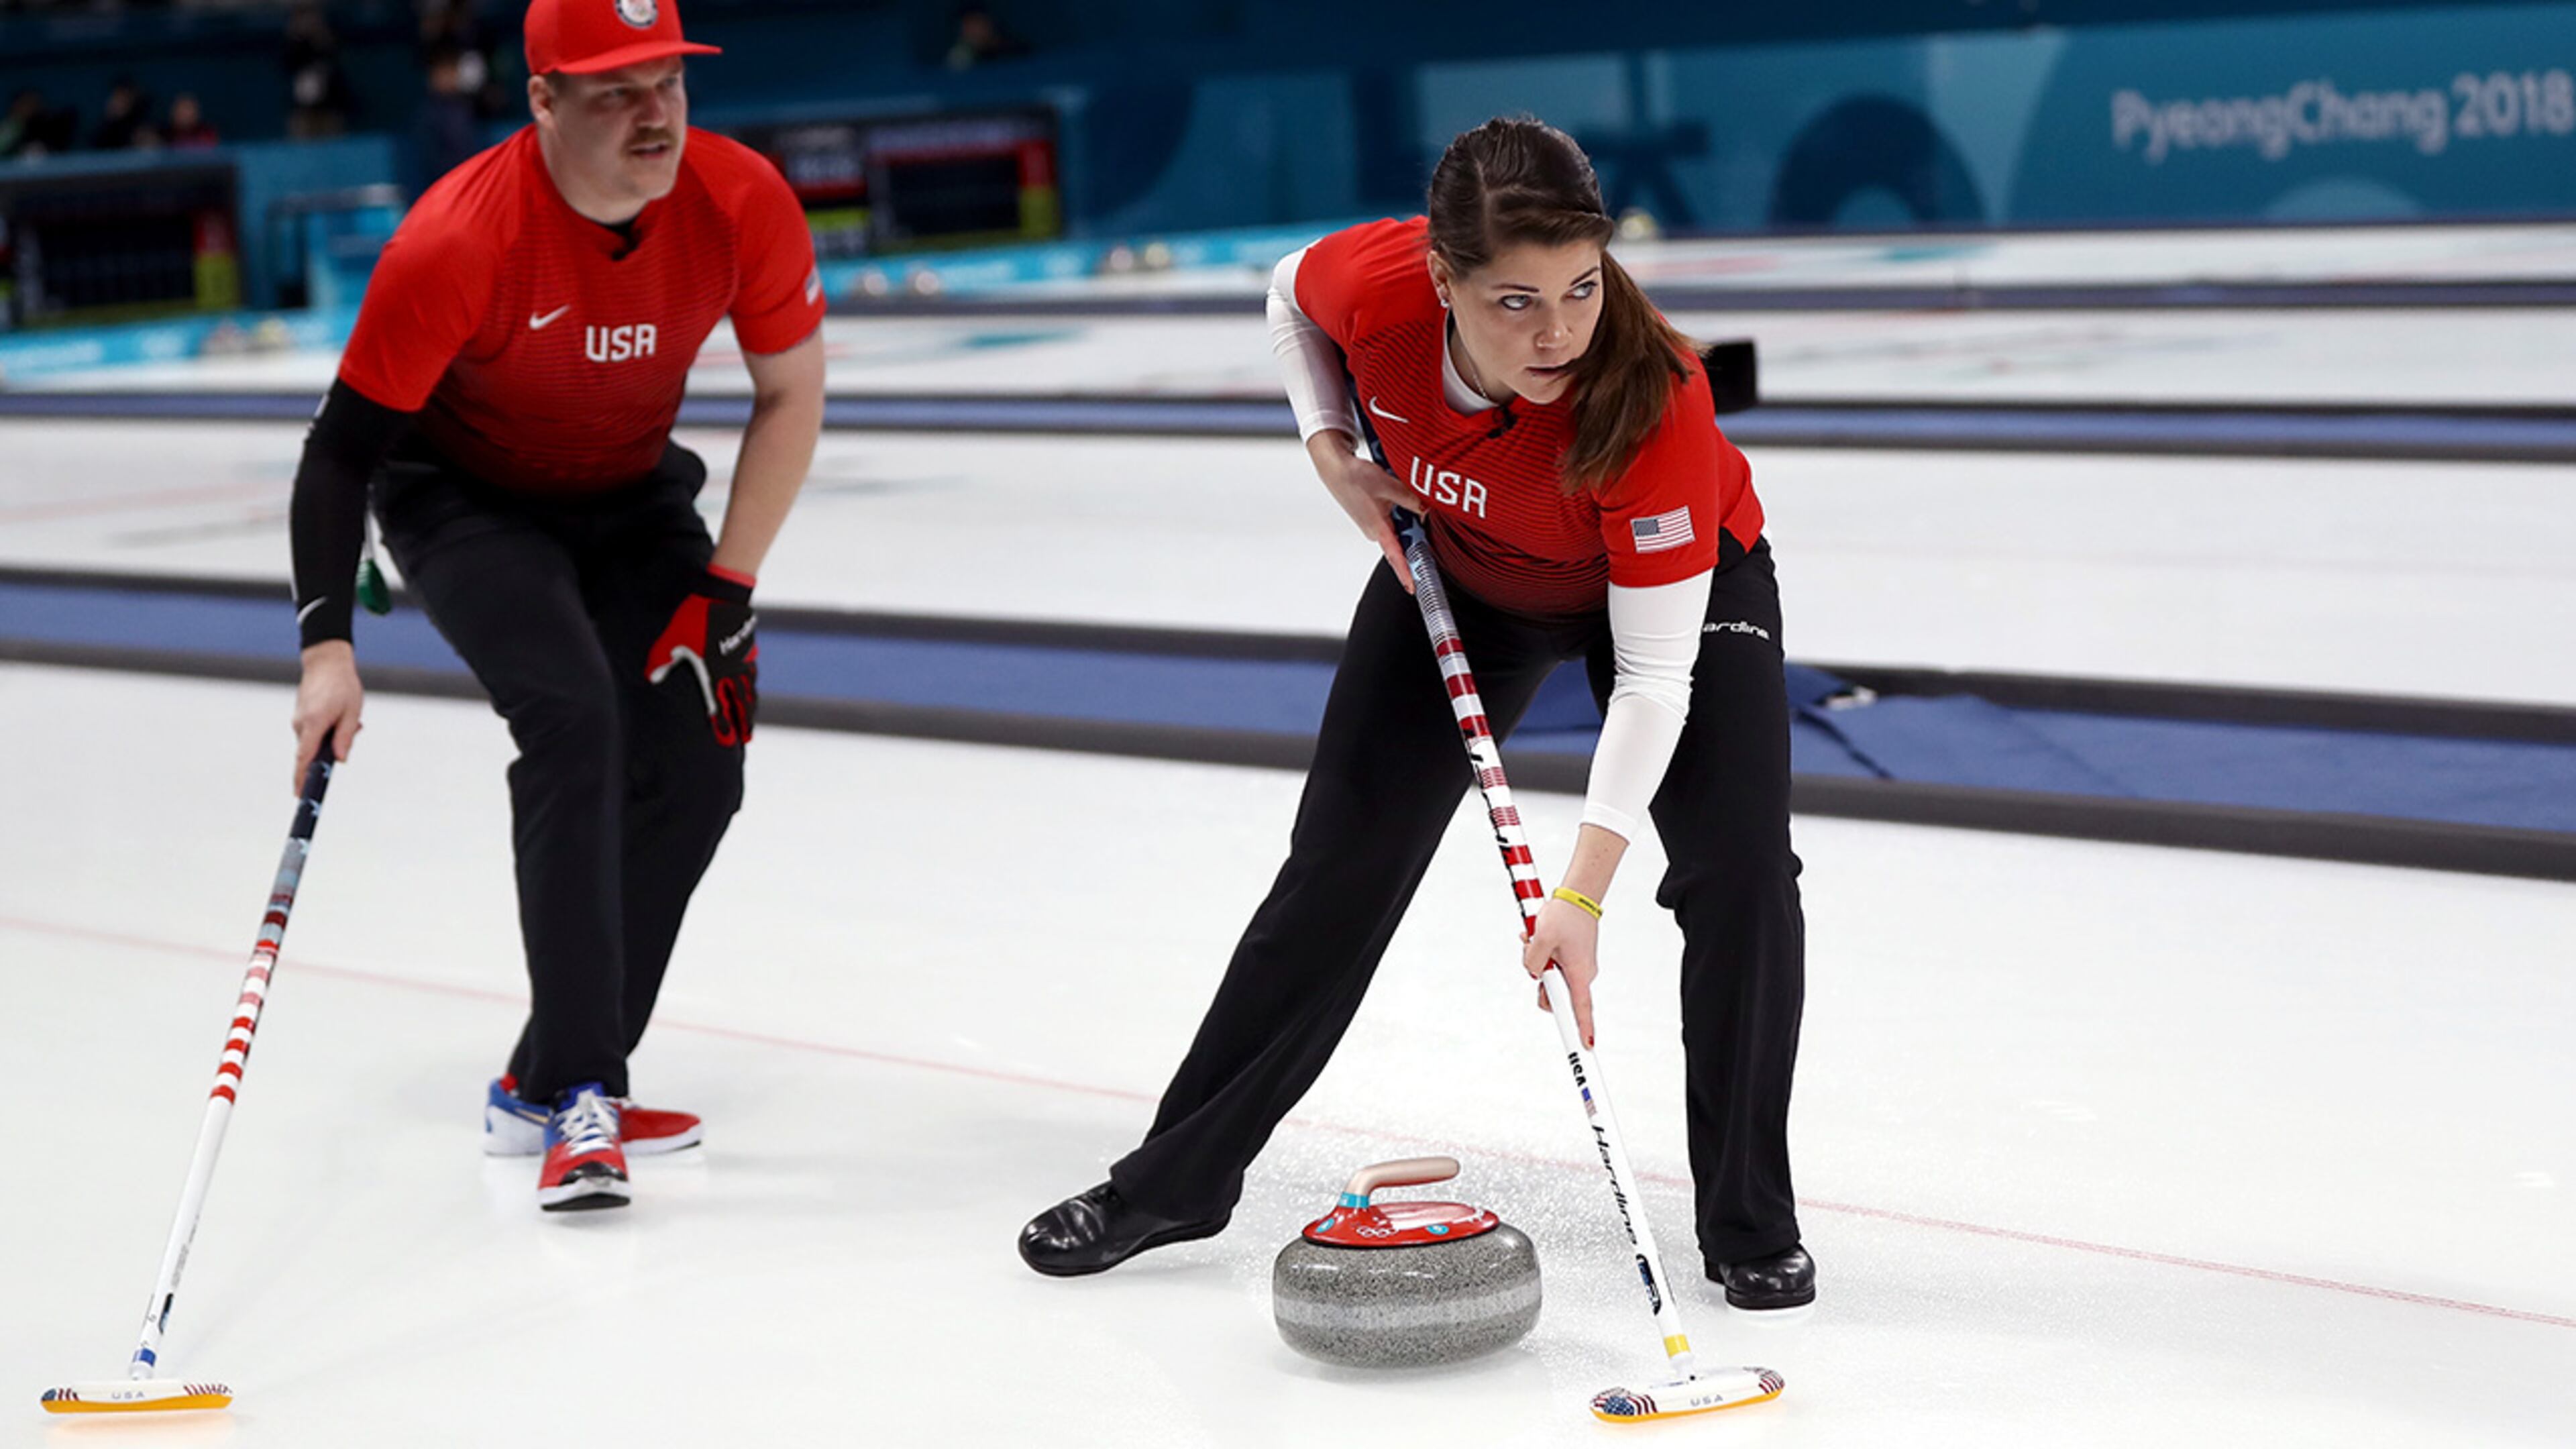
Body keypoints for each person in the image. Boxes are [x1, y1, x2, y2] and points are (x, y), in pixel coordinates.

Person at [1018, 117, 1815, 1309]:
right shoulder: (1378, 287)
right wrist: (1329, 445)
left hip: (1671, 598)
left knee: (1741, 871)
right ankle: (1172, 1184)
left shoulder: (1651, 396)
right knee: (1337, 867)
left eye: (1582, 289)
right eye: (1514, 301)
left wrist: (1582, 890)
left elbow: (1653, 683)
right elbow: (1290, 293)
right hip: (1466, 579)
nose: (1558, 333)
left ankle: (1749, 1219)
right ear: (1442, 280)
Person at [287, 0, 828, 1213]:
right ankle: (585, 1094)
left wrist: (726, 589)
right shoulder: (457, 241)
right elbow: (337, 455)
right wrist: (328, 647)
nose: (655, 116)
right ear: (541, 103)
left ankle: (544, 1076)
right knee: (576, 718)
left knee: (701, 765)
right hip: (464, 502)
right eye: (616, 92)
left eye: (669, 84)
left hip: (630, 497)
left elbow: (790, 392)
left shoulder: (741, 203)